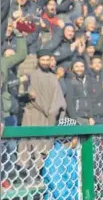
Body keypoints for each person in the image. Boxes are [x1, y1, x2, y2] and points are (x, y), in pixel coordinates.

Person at [18, 49, 66, 183]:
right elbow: (20, 95)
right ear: (38, 60)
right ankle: (30, 179)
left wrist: (53, 111)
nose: (45, 62)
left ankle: (45, 178)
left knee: (45, 149)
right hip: (33, 115)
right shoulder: (31, 75)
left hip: (48, 119)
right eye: (42, 60)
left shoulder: (52, 77)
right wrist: (28, 95)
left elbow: (60, 99)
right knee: (31, 146)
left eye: (47, 60)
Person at [42, 118, 79, 200]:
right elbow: (61, 193)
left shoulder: (72, 155)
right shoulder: (54, 158)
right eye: (77, 136)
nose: (78, 139)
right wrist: (81, 193)